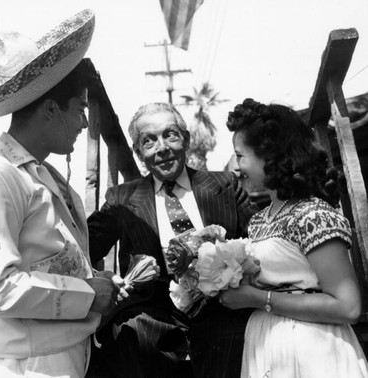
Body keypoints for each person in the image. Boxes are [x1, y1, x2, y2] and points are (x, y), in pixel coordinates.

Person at [0, 9, 122, 378]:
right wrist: (88, 294)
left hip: (59, 358)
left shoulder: (42, 177)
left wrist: (95, 279)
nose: (83, 122)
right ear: (50, 109)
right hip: (24, 367)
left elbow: (46, 261)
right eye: (79, 108)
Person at [87, 102, 258, 378]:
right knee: (127, 331)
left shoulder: (224, 185)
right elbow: (82, 243)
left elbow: (261, 234)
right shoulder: (122, 199)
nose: (162, 147)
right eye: (149, 141)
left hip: (223, 305)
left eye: (170, 135)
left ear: (186, 139)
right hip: (157, 315)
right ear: (138, 152)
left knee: (236, 331)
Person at [220, 98, 368, 378]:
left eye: (240, 156)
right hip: (267, 347)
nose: (236, 167)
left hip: (313, 349)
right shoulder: (259, 220)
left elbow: (349, 306)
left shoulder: (312, 213)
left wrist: (257, 298)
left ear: (269, 155)